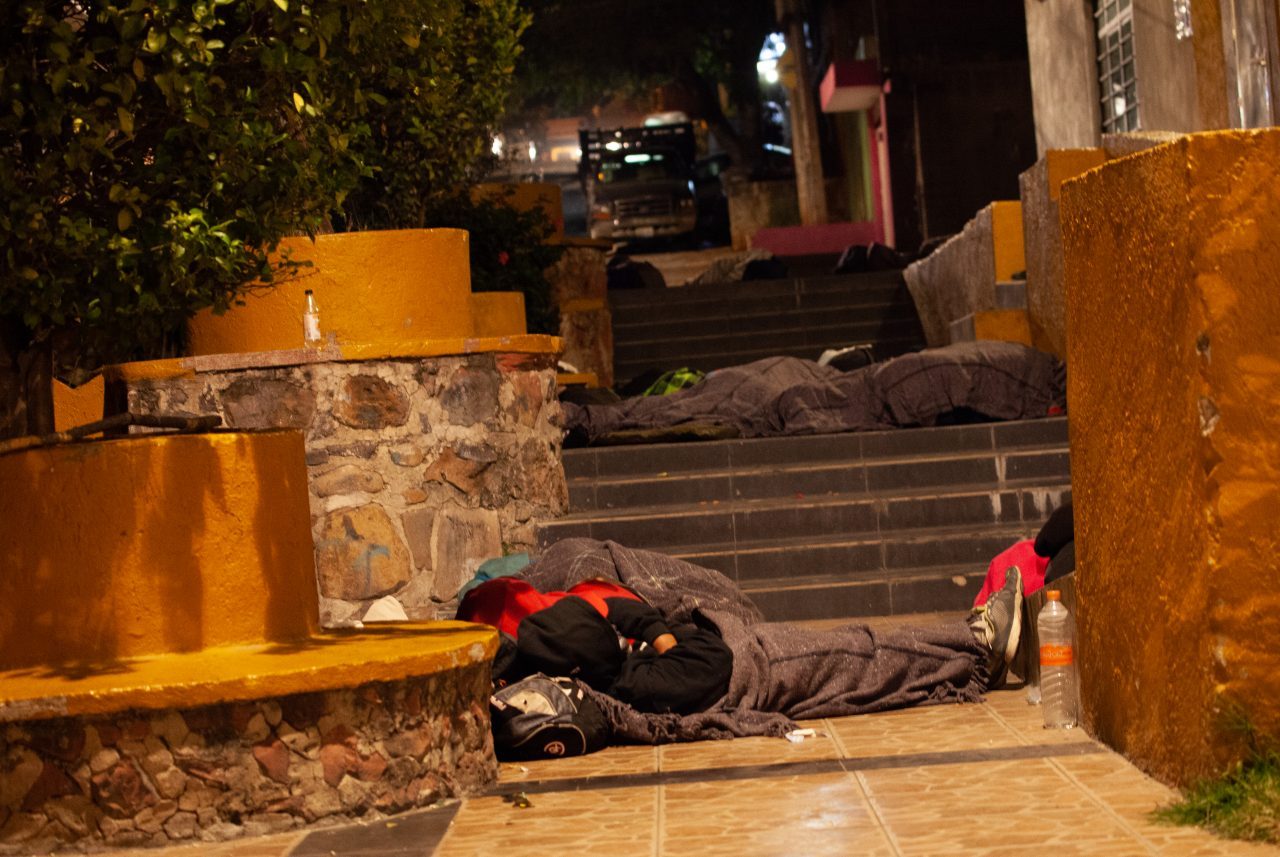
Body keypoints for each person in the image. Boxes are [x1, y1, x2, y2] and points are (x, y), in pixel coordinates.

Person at [458, 543, 1025, 724]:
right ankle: (978, 643)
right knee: (869, 651)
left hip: (748, 659)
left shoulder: (614, 671)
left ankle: (972, 648)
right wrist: (676, 632)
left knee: (869, 652)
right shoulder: (647, 686)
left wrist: (657, 631)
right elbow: (711, 663)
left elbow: (631, 619)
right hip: (758, 669)